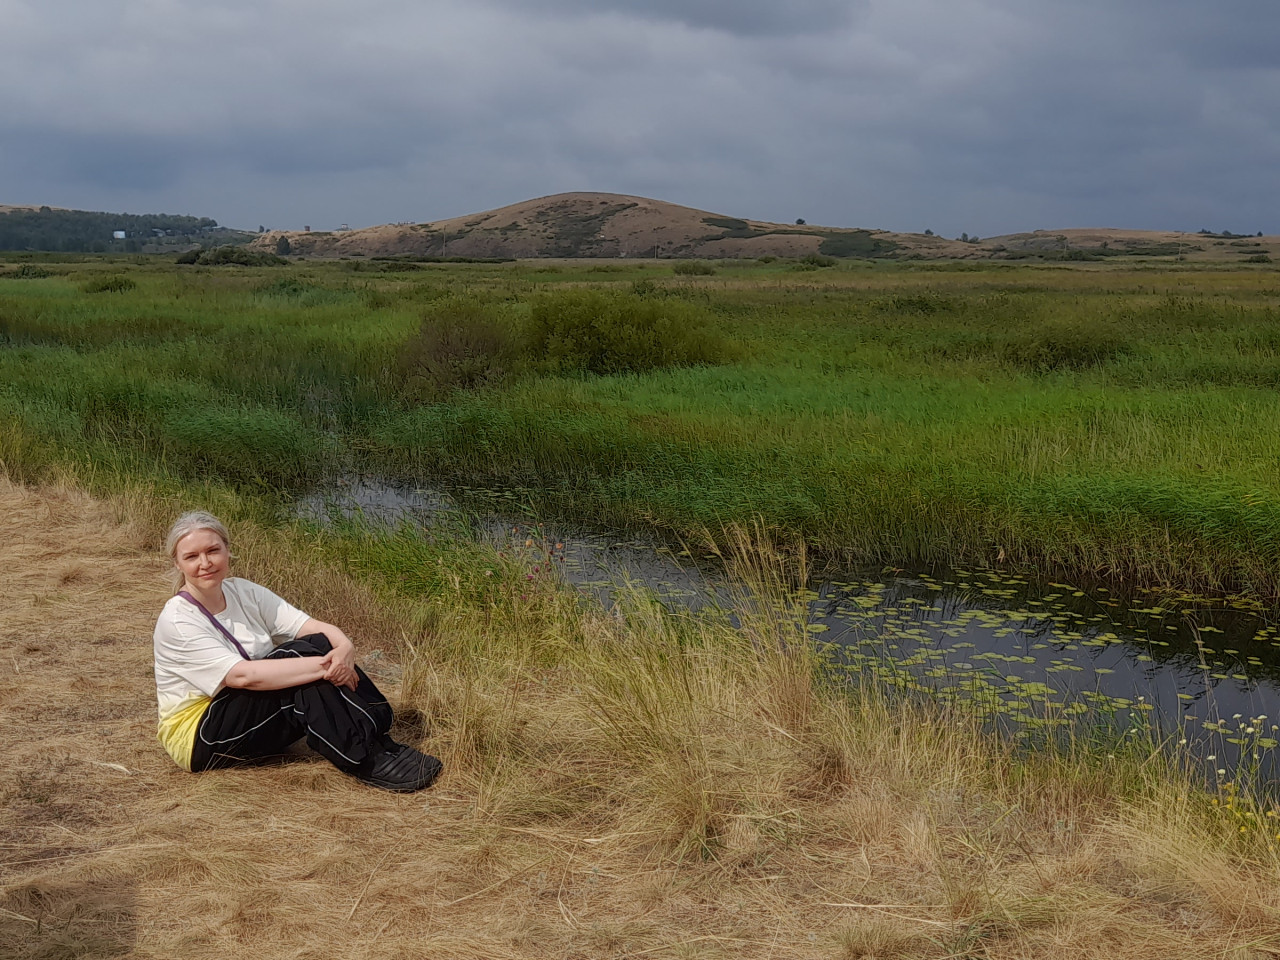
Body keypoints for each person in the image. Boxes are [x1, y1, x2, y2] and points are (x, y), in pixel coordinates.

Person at [153, 510, 441, 792]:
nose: (205, 562)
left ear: (228, 550)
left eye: (213, 550)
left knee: (315, 644)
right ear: (178, 564)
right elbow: (243, 677)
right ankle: (364, 758)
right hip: (199, 737)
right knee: (298, 662)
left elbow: (308, 626)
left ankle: (379, 735)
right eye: (191, 557)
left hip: (242, 710)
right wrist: (326, 667)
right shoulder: (179, 619)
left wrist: (344, 649)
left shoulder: (242, 590)